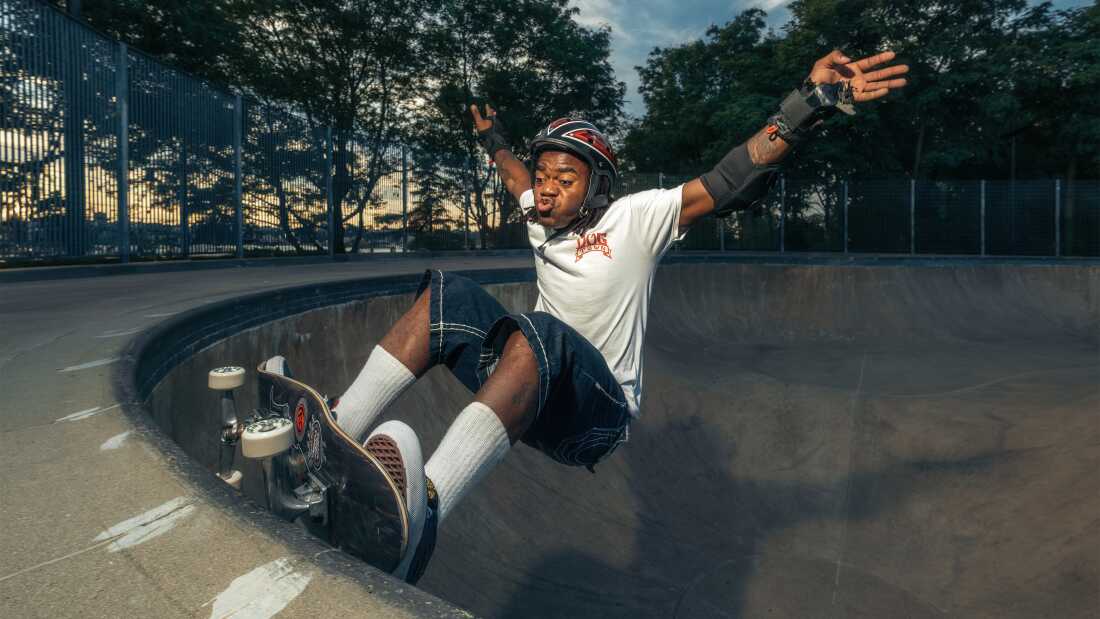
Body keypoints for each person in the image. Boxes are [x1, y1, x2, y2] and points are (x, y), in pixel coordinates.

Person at [266, 49, 908, 584]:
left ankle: (425, 513)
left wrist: (807, 104)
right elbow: (516, 170)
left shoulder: (637, 217)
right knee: (448, 295)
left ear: (596, 188)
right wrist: (492, 139)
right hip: (528, 388)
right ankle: (330, 435)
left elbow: (728, 179)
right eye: (544, 178)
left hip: (593, 414)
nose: (545, 190)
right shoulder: (540, 211)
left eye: (564, 180)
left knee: (543, 332)